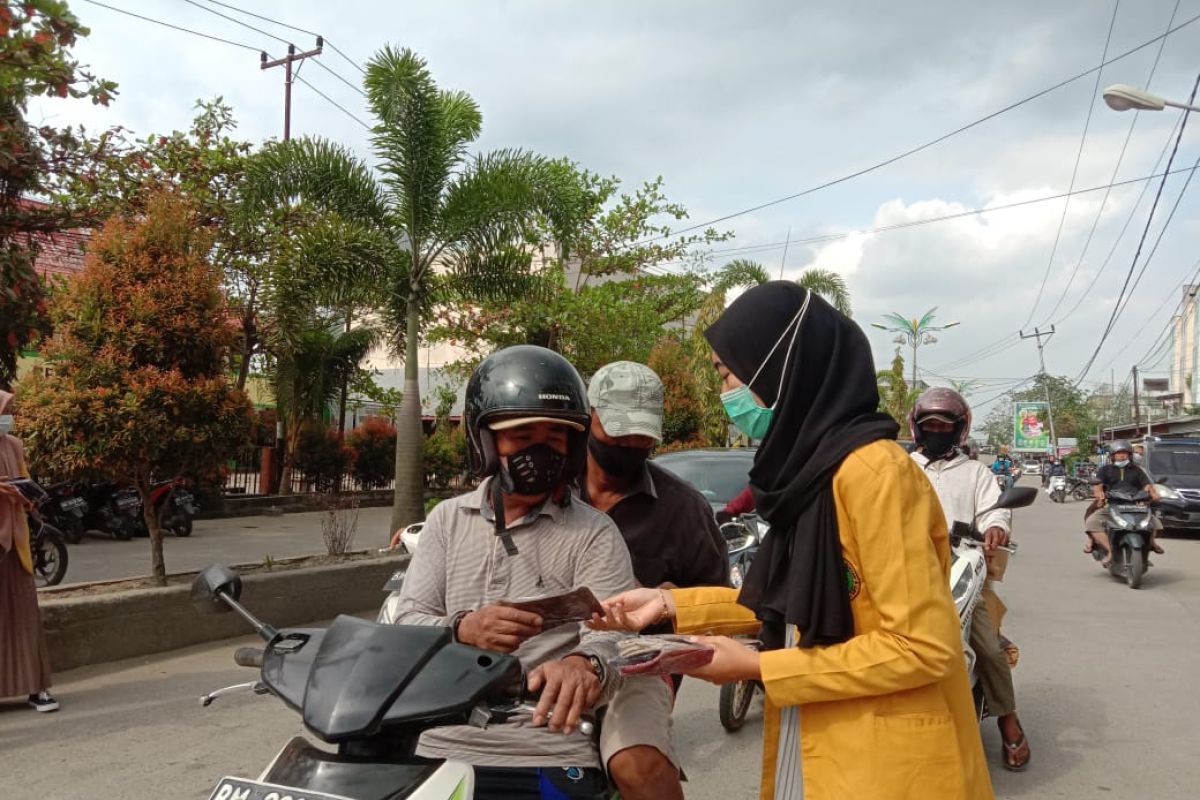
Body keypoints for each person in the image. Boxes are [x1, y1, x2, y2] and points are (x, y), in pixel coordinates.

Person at [593, 282, 992, 799]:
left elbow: (921, 648)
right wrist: (668, 604)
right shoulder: (811, 475)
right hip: (819, 737)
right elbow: (792, 599)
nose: (725, 392)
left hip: (885, 761)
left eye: (725, 372)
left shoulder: (872, 473)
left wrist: (758, 665)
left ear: (778, 369)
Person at [387, 346, 635, 800]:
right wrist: (463, 628)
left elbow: (617, 635)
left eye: (554, 439)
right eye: (521, 437)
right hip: (442, 739)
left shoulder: (595, 532)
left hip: (546, 743)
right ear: (486, 443)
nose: (539, 451)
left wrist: (585, 663)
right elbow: (406, 624)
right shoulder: (446, 520)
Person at [580, 361, 730, 800]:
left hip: (636, 666)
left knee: (640, 768)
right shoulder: (548, 488)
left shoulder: (683, 510)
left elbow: (719, 607)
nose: (630, 445)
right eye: (619, 432)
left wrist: (671, 603)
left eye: (641, 437)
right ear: (591, 416)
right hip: (544, 653)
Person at [908, 388, 1031, 772]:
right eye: (930, 425)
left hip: (961, 568)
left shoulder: (976, 472)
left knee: (989, 648)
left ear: (959, 430)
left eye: (945, 425)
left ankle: (1008, 718)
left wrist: (996, 528)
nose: (937, 431)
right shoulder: (902, 466)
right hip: (905, 568)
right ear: (917, 428)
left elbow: (996, 512)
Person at [0, 389, 58, 713]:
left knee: (25, 616)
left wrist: (26, 494)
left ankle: (37, 689)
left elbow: (25, 482)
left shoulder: (15, 445)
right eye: (3, 410)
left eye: (8, 410)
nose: (6, 417)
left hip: (17, 542)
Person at [1084, 440, 1164, 566]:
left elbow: (1147, 486)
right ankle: (1110, 551)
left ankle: (1151, 543)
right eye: (1119, 453)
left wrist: (1154, 493)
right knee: (1092, 522)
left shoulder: (1137, 470)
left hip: (1136, 505)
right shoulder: (1105, 470)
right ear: (1113, 456)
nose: (1122, 455)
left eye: (1125, 453)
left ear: (1129, 455)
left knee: (1154, 523)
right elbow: (1098, 485)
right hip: (1112, 504)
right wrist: (1099, 493)